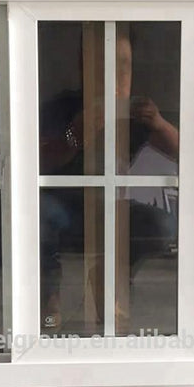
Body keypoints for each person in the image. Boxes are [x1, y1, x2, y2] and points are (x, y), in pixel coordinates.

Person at [40, 26, 179, 332]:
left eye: (123, 67)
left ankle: (111, 277)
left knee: (163, 225)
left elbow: (186, 154)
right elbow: (36, 160)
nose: (113, 78)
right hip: (65, 206)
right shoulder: (64, 106)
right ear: (84, 68)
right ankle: (48, 294)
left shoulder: (137, 111)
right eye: (101, 67)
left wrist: (159, 124)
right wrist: (75, 134)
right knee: (38, 214)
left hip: (115, 205)